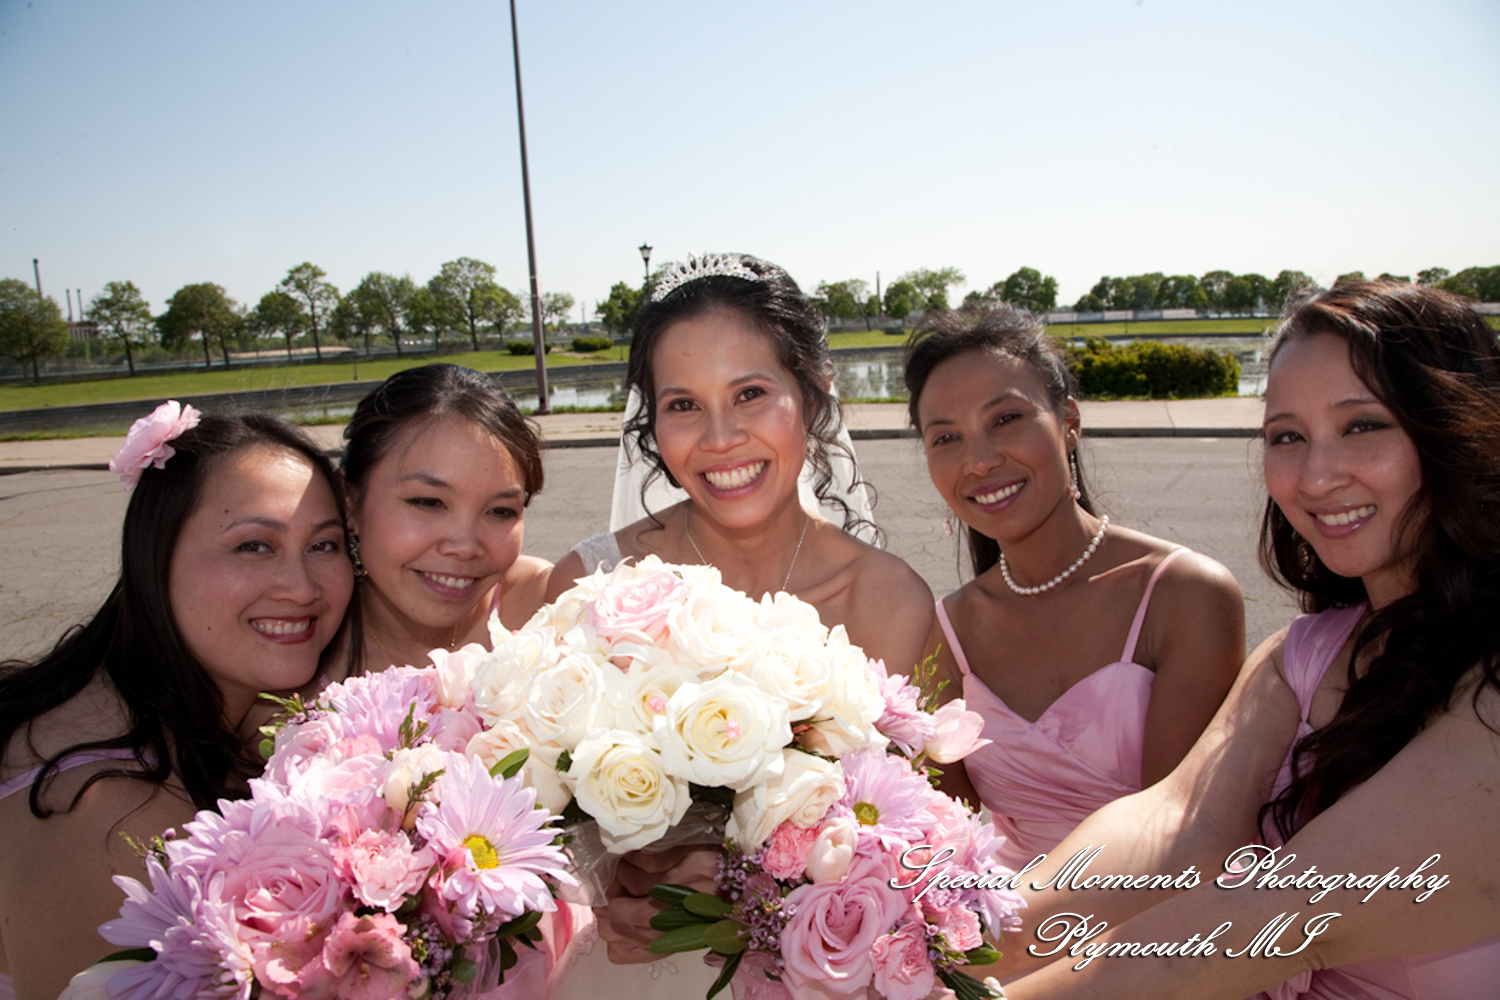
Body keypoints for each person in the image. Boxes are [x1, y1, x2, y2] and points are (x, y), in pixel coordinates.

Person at [993, 280, 1500, 998]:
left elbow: (1263, 917)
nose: (1317, 477)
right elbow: (1177, 828)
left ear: (1456, 427)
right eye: (1287, 436)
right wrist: (942, 937)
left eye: (1362, 426)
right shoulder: (1304, 654)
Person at [544, 253, 935, 996]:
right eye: (683, 404)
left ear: (813, 394)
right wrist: (611, 877)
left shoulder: (888, 602)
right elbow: (542, 813)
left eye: (750, 393)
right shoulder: (590, 586)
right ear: (650, 420)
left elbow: (914, 840)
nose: (719, 438)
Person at [0, 405, 354, 1000]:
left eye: (324, 545)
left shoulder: (206, 708)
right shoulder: (104, 816)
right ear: (154, 556)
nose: (301, 587)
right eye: (252, 546)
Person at [904, 305, 1245, 869]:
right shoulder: (948, 631)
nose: (979, 460)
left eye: (1006, 419)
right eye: (946, 438)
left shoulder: (1184, 595)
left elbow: (1178, 838)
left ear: (1069, 422)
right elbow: (944, 837)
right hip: (1002, 930)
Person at [331, 363, 552, 676]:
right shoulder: (296, 645)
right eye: (428, 502)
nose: (464, 547)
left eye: (501, 510)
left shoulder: (551, 612)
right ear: (350, 502)